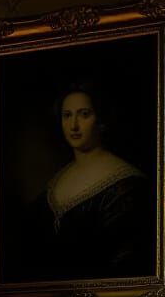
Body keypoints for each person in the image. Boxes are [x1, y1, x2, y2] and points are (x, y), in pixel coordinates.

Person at [26, 81, 152, 281]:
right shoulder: (53, 185)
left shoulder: (127, 186)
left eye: (84, 114)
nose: (74, 125)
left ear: (101, 120)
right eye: (67, 116)